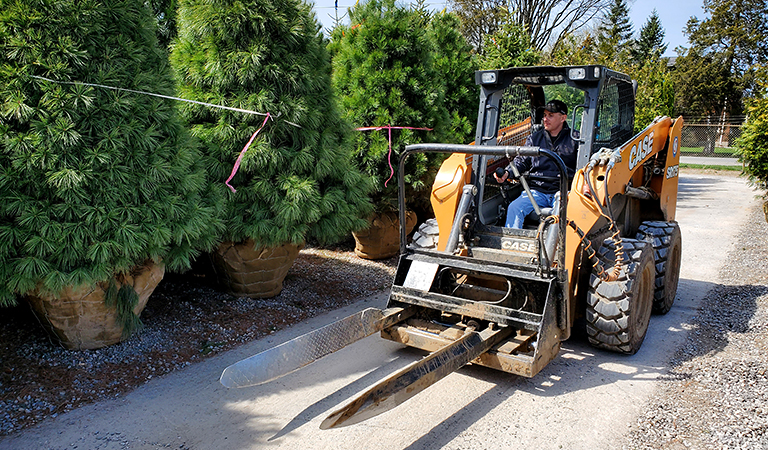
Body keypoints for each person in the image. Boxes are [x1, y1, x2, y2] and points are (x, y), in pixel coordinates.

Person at [494, 99, 578, 228]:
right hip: (537, 191)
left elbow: (583, 168)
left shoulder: (575, 139)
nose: (545, 119)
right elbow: (521, 161)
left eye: (550, 115)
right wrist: (507, 173)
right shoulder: (534, 138)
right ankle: (512, 246)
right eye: (544, 115)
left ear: (563, 118)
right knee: (514, 208)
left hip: (563, 190)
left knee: (560, 212)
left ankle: (557, 246)